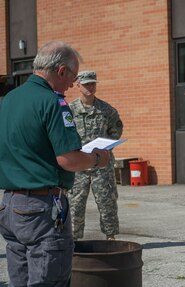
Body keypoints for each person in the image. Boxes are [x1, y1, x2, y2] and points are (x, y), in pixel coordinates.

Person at [0, 41, 110, 287]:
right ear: (61, 71)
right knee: (50, 280)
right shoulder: (54, 103)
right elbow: (68, 159)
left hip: (9, 206)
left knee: (21, 281)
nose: (73, 84)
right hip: (41, 209)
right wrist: (97, 158)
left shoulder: (9, 100)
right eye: (72, 76)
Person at [68, 71, 123, 241]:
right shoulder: (69, 110)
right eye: (86, 84)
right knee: (75, 205)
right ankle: (74, 241)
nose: (90, 87)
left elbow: (116, 131)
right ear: (78, 86)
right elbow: (63, 135)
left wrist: (104, 147)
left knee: (107, 203)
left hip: (102, 165)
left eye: (93, 84)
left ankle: (110, 237)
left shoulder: (106, 110)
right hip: (78, 166)